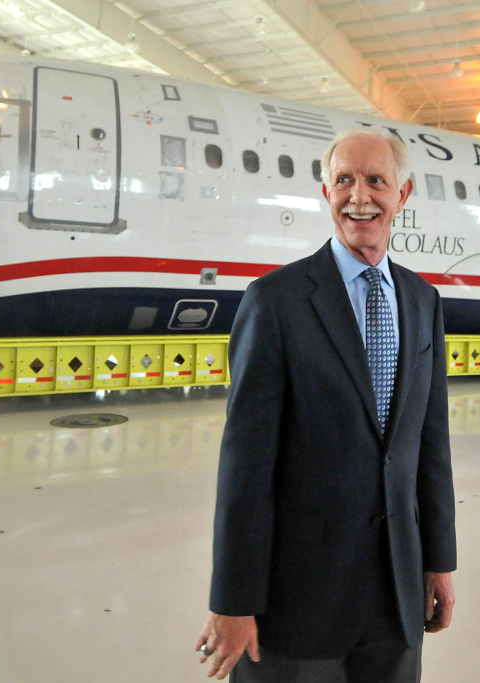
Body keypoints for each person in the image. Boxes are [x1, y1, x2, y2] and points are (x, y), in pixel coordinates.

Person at [195, 127, 457, 682]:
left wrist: (438, 561)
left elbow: (429, 447)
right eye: (344, 180)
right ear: (325, 192)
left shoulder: (422, 301)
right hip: (296, 603)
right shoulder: (277, 302)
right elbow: (246, 466)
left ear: (402, 195)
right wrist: (233, 600)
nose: (359, 196)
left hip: (396, 595)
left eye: (376, 181)